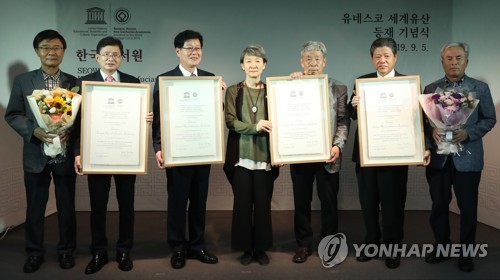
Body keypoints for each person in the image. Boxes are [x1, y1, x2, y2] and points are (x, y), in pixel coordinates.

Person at [72, 36, 153, 274]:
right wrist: (78, 153)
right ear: (96, 57)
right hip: (97, 155)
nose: (111, 58)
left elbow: (137, 116)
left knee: (127, 206)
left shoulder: (133, 82)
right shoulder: (84, 82)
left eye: (116, 54)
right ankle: (98, 252)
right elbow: (76, 124)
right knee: (98, 206)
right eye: (106, 54)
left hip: (126, 155)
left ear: (122, 57)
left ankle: (124, 250)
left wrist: (146, 117)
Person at [348, 37, 430, 269]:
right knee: (368, 203)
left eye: (386, 56)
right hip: (367, 155)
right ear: (372, 59)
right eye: (377, 56)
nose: (382, 60)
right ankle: (371, 243)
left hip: (396, 154)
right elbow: (351, 115)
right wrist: (352, 104)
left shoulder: (409, 84)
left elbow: (419, 120)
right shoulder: (361, 82)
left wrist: (422, 146)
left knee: (394, 204)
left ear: (395, 57)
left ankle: (392, 247)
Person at [4, 29, 77, 273]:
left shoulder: (73, 82)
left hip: (64, 154)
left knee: (67, 206)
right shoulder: (24, 81)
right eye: (46, 47)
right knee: (35, 208)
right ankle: (34, 253)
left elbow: (81, 117)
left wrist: (70, 130)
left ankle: (67, 251)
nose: (51, 52)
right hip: (36, 154)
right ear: (37, 51)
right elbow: (13, 113)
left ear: (63, 52)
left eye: (57, 48)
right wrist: (33, 130)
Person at [423, 42, 496, 272]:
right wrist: (431, 130)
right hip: (439, 158)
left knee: (468, 208)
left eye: (458, 58)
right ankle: (442, 247)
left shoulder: (480, 88)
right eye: (449, 58)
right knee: (438, 206)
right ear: (442, 61)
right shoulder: (431, 88)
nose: (454, 62)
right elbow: (424, 121)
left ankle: (466, 254)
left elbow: (489, 119)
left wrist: (468, 133)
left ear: (467, 61)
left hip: (468, 158)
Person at [152, 30, 221, 269]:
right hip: (177, 151)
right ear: (177, 51)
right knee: (178, 201)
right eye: (189, 47)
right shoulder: (165, 80)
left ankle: (198, 245)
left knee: (199, 201)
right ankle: (178, 247)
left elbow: (212, 116)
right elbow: (159, 119)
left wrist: (218, 96)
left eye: (198, 48)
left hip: (202, 150)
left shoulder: (210, 79)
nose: (194, 52)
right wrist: (158, 147)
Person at [289, 41, 350, 264]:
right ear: (301, 62)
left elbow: (343, 121)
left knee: (329, 203)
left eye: (317, 59)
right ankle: (303, 245)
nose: (312, 63)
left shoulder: (339, 88)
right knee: (301, 202)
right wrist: (289, 85)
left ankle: (330, 244)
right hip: (300, 154)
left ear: (324, 62)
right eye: (308, 59)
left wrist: (338, 146)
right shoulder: (291, 85)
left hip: (328, 156)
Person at [223, 45, 279, 265]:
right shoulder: (234, 91)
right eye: (248, 61)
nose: (253, 65)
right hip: (241, 158)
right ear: (242, 65)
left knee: (263, 205)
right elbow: (230, 121)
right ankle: (245, 248)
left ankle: (261, 248)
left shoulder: (272, 90)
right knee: (243, 205)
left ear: (264, 65)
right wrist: (254, 127)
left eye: (258, 61)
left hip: (266, 158)